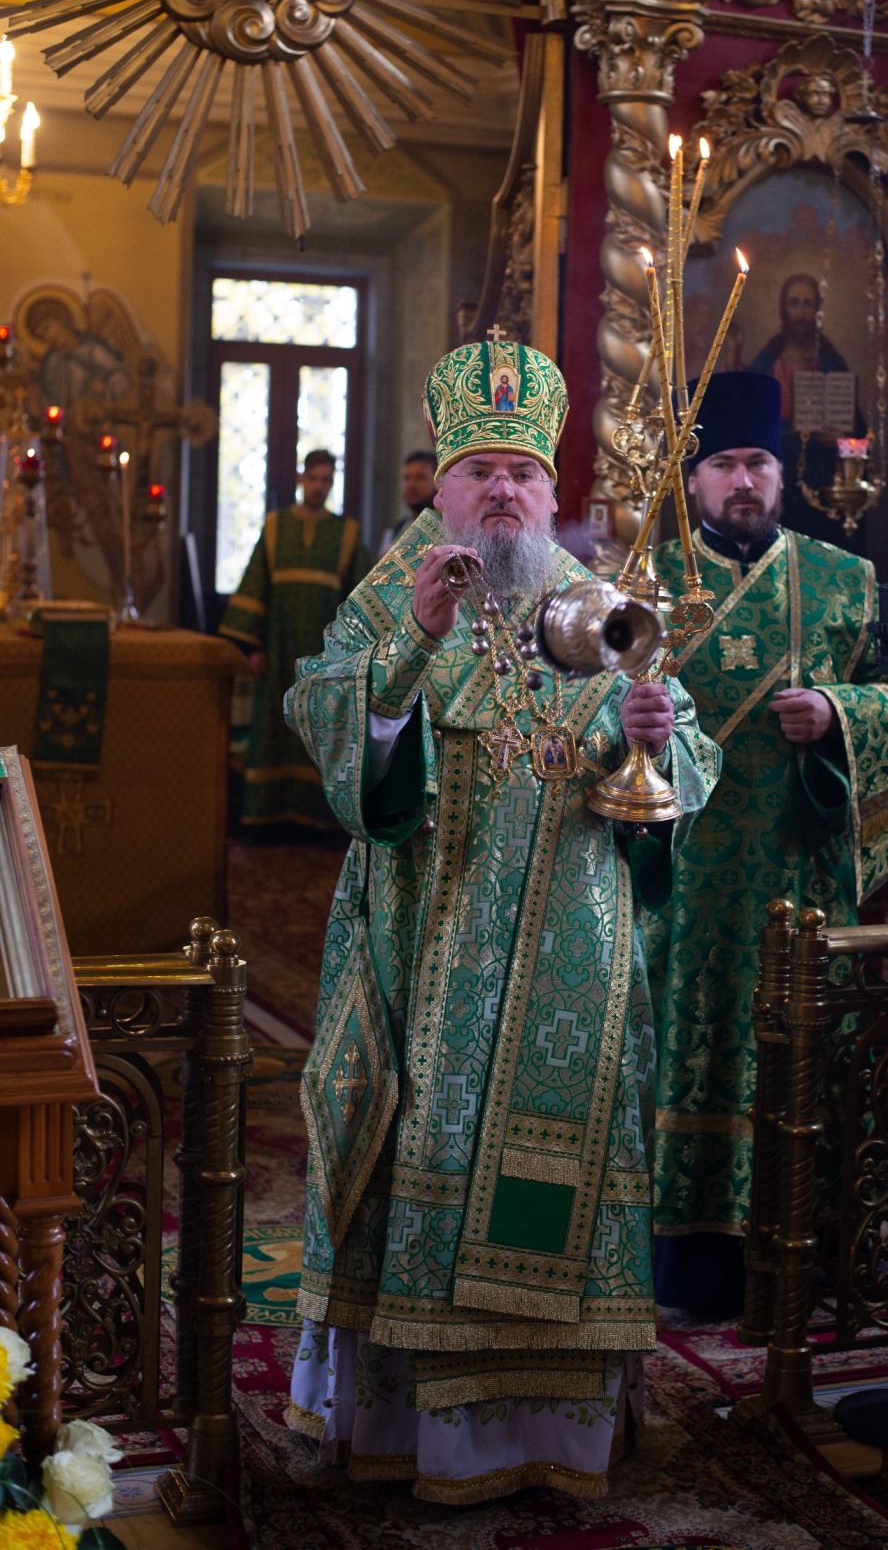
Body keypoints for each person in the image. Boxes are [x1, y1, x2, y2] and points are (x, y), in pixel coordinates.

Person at [283, 338, 719, 1503]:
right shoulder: (391, 593)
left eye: (522, 473)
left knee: (559, 1174)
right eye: (479, 470)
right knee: (420, 1155)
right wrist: (413, 644)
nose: (502, 491)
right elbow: (326, 722)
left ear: (549, 491)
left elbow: (682, 756)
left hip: (573, 959)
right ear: (441, 487)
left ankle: (558, 1434)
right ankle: (403, 1432)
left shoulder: (597, 607)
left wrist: (651, 739)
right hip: (420, 946)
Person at [645, 371, 888, 1316]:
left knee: (799, 1054)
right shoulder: (645, 583)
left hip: (799, 869)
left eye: (758, 462)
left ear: (781, 469)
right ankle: (682, 1267)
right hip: (681, 883)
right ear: (692, 478)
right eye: (723, 463)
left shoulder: (843, 577)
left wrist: (842, 715)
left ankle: (806, 1255)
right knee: (684, 1044)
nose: (743, 481)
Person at [218, 449, 371, 830]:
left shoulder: (347, 533)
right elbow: (255, 585)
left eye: (326, 480)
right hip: (278, 649)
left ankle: (317, 819)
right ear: (302, 479)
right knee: (273, 725)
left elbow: (362, 599)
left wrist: (351, 654)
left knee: (322, 729)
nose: (319, 486)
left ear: (332, 483)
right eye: (313, 478)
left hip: (326, 656)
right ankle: (266, 817)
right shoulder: (276, 527)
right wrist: (253, 648)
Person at [748, 273, 863, 548]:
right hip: (776, 472)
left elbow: (856, 430)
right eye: (794, 303)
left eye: (807, 304)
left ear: (817, 309)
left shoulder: (831, 362)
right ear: (783, 308)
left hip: (822, 476)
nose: (800, 313)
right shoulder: (767, 361)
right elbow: (748, 417)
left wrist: (841, 439)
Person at [377, 448, 437, 556]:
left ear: (438, 481)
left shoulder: (445, 528)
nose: (411, 485)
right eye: (407, 478)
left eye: (420, 477)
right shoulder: (395, 530)